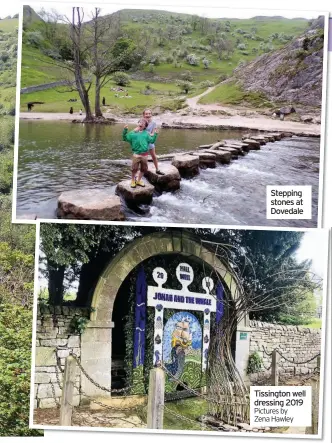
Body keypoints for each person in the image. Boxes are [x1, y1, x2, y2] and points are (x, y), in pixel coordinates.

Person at [122, 119, 158, 189]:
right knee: (134, 169)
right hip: (136, 155)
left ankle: (138, 180)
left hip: (145, 155)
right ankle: (132, 180)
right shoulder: (133, 133)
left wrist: (155, 134)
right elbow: (125, 138)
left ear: (145, 126)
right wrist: (125, 130)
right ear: (138, 124)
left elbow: (152, 141)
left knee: (143, 169)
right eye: (140, 122)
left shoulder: (147, 133)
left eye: (143, 123)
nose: (141, 124)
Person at [136, 109, 165, 175]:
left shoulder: (154, 123)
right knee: (141, 158)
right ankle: (139, 172)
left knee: (154, 156)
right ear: (143, 115)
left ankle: (157, 170)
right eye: (146, 114)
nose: (148, 115)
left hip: (150, 143)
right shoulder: (140, 122)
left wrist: (147, 133)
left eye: (149, 114)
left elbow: (153, 134)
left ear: (151, 115)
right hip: (142, 143)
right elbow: (138, 131)